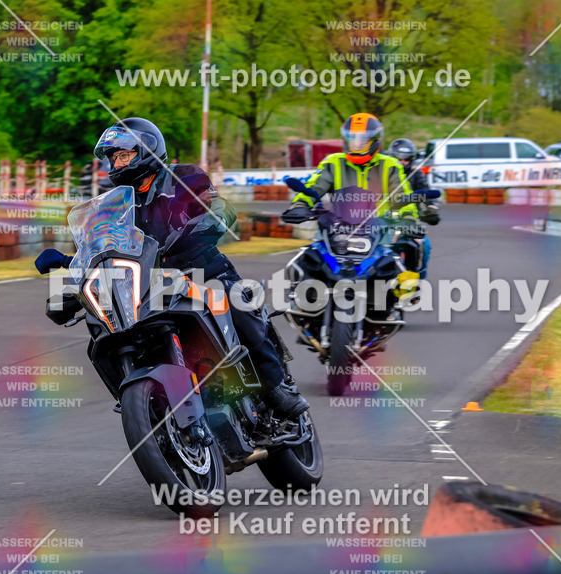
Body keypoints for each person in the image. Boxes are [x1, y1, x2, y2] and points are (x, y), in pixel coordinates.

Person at [42, 117, 309, 420]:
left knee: (237, 305)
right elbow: (100, 249)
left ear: (146, 150)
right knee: (104, 330)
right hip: (149, 284)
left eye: (123, 155)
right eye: (113, 158)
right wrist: (69, 268)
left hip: (204, 271)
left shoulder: (184, 178)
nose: (116, 164)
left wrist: (209, 220)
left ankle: (274, 387)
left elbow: (218, 206)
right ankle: (147, 398)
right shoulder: (114, 206)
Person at [282, 114, 428, 279]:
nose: (357, 144)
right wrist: (300, 205)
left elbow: (403, 196)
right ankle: (300, 301)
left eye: (363, 140)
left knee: (399, 263)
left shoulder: (390, 165)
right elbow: (313, 187)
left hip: (379, 232)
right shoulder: (333, 162)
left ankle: (404, 297)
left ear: (374, 141)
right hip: (337, 230)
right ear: (345, 139)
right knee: (307, 261)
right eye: (352, 139)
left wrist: (409, 217)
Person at [386, 138, 437, 279]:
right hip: (382, 219)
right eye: (399, 159)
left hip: (407, 220)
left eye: (406, 159)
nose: (403, 162)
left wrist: (431, 209)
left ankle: (417, 281)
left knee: (423, 245)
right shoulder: (380, 173)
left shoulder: (416, 175)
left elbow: (427, 195)